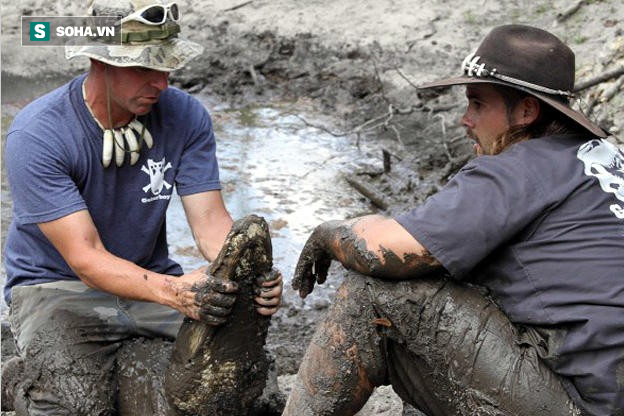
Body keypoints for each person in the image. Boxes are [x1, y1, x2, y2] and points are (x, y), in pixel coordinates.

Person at [283, 24, 623, 416]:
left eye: (478, 104)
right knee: (439, 304)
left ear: (527, 111)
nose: (465, 119)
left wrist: (329, 234)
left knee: (373, 294)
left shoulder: (517, 168)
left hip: (584, 403)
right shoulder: (608, 160)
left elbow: (387, 251)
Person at [2, 1, 282, 414]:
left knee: (252, 389)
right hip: (57, 289)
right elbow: (86, 259)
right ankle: (16, 382)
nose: (162, 84)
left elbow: (210, 227)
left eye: (165, 67)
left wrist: (248, 271)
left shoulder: (186, 117)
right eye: (144, 69)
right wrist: (175, 291)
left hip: (151, 280)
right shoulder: (38, 134)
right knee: (73, 406)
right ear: (100, 62)